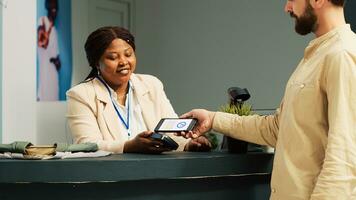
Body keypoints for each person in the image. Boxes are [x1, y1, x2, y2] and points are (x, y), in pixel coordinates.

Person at [179, 0, 356, 199]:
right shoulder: (317, 55)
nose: (287, 8)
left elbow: (345, 154)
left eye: (292, 0)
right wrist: (213, 119)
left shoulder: (342, 55)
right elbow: (277, 129)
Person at [66, 26, 211, 154]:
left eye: (128, 54)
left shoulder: (151, 84)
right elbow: (86, 145)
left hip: (157, 171)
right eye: (113, 57)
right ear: (96, 63)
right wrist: (129, 146)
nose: (123, 62)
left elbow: (171, 135)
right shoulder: (80, 95)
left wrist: (188, 144)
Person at [37, 0, 61, 101]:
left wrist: (57, 61)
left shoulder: (54, 30)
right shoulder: (42, 21)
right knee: (44, 94)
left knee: (54, 96)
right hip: (45, 68)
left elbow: (57, 56)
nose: (54, 11)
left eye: (56, 8)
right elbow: (42, 43)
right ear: (47, 6)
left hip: (53, 72)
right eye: (52, 7)